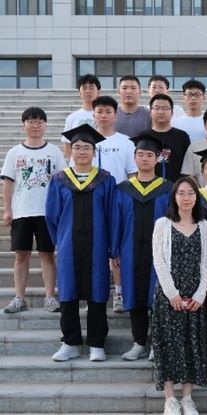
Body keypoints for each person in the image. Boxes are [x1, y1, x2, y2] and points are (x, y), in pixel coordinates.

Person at [46, 124, 119, 362]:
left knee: (97, 291)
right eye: (77, 147)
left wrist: (112, 245)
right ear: (70, 151)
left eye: (87, 147)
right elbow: (52, 216)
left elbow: (112, 214)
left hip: (98, 245)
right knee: (68, 292)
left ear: (94, 152)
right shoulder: (60, 180)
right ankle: (71, 342)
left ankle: (97, 343)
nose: (82, 151)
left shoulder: (105, 180)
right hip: (69, 244)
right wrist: (60, 241)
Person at [151, 176, 207, 415]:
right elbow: (159, 261)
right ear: (174, 197)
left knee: (191, 344)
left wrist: (200, 294)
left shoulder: (204, 226)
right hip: (168, 295)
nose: (186, 198)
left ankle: (187, 397)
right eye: (181, 193)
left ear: (197, 197)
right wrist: (172, 294)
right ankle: (170, 399)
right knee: (167, 344)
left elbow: (206, 263)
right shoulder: (163, 224)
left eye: (191, 193)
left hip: (195, 296)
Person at [1, 107, 66, 314]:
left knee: (47, 254)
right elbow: (8, 183)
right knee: (21, 255)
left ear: (45, 125)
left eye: (39, 121)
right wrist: (7, 209)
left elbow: (62, 182)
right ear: (24, 125)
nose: (35, 125)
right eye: (31, 121)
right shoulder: (15, 152)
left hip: (47, 212)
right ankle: (19, 298)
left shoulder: (54, 151)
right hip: (22, 211)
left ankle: (50, 297)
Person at [117, 133, 173, 361]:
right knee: (135, 295)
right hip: (130, 250)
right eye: (140, 154)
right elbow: (116, 220)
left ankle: (157, 345)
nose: (145, 158)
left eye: (150, 154)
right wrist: (114, 250)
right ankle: (139, 342)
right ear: (134, 157)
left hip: (160, 252)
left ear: (158, 158)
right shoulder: (123, 188)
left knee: (158, 295)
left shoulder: (167, 188)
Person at [91, 95, 139, 313]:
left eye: (108, 111)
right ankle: (95, 294)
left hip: (119, 202)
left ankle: (119, 293)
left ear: (115, 115)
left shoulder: (126, 142)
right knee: (95, 249)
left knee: (117, 250)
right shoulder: (86, 142)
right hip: (92, 202)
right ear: (94, 115)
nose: (104, 115)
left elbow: (133, 174)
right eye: (99, 111)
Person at [149, 93, 191, 182]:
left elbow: (188, 167)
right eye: (157, 108)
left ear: (172, 113)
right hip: (149, 187)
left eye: (165, 108)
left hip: (176, 187)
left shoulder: (182, 137)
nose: (161, 112)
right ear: (150, 112)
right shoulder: (144, 137)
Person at [61, 74, 101, 159]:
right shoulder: (72, 117)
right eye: (84, 88)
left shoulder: (105, 116)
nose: (88, 91)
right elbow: (67, 144)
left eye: (91, 87)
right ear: (79, 92)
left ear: (98, 91)